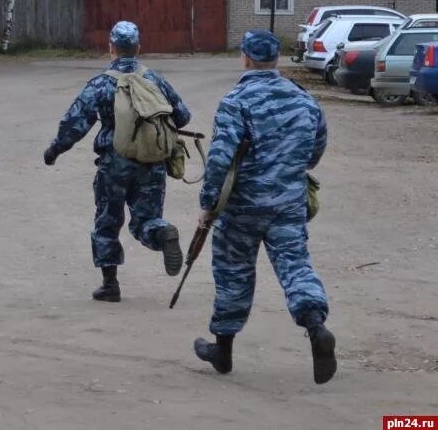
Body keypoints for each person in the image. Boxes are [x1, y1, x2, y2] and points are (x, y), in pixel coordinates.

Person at [193, 30, 335, 384]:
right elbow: (315, 151)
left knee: (233, 273)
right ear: (277, 59)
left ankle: (222, 350)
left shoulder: (236, 100)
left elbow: (220, 159)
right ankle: (316, 327)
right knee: (296, 268)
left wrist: (208, 204)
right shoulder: (305, 101)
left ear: (244, 57)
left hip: (242, 207)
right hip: (288, 203)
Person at [42, 20, 191, 302]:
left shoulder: (101, 84)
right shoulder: (154, 80)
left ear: (110, 47)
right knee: (146, 219)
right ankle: (161, 233)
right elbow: (182, 115)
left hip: (114, 164)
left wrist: (54, 151)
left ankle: (110, 285)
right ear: (138, 47)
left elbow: (75, 123)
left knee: (107, 223)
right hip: (152, 163)